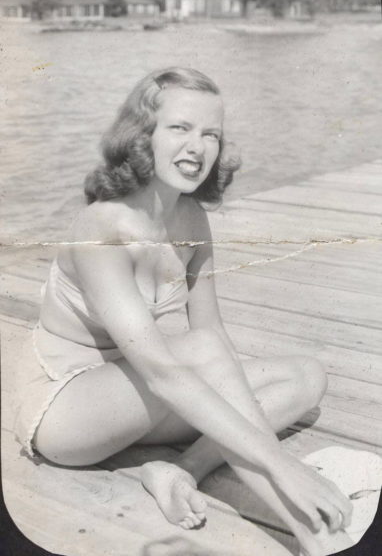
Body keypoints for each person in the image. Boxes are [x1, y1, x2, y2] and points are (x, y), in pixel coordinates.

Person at [14, 67, 353, 555]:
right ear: (143, 135)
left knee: (305, 378)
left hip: (138, 395)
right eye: (180, 128)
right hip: (65, 412)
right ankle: (317, 535)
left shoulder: (191, 219)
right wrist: (280, 464)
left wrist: (243, 424)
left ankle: (181, 471)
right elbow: (170, 371)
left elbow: (212, 338)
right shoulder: (102, 229)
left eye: (210, 134)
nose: (197, 147)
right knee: (204, 357)